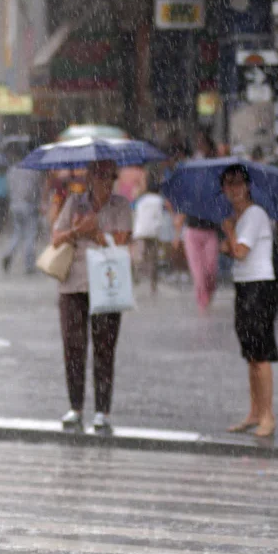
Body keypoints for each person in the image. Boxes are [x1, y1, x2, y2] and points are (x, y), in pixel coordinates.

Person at [50, 160, 132, 436]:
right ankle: (75, 407)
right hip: (73, 284)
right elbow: (56, 239)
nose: (102, 182)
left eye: (108, 176)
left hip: (106, 286)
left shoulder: (120, 206)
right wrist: (77, 231)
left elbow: (121, 241)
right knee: (73, 347)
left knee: (104, 348)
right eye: (97, 176)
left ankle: (102, 411)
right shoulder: (74, 202)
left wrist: (95, 232)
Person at [219, 164, 278, 438]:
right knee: (251, 354)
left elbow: (241, 251)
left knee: (261, 353)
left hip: (259, 287)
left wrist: (229, 232)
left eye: (238, 182)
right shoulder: (240, 217)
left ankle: (267, 415)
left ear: (248, 185)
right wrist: (228, 241)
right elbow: (236, 251)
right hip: (245, 286)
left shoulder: (254, 215)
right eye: (228, 183)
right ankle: (255, 411)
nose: (233, 188)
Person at [2, 155, 45, 275]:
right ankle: (29, 265)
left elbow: (9, 188)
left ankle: (9, 252)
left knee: (18, 233)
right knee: (30, 235)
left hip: (15, 205)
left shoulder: (12, 170)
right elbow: (36, 190)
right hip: (29, 206)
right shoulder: (33, 171)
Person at [132, 166, 167, 294]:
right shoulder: (159, 200)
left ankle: (135, 278)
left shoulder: (141, 200)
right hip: (153, 232)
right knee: (153, 259)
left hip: (140, 231)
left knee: (139, 256)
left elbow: (134, 212)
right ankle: (153, 284)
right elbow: (161, 215)